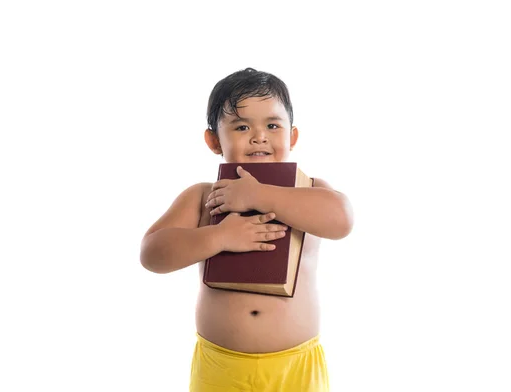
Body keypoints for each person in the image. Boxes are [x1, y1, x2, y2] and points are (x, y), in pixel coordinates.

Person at [140, 68, 354, 391]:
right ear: (214, 140)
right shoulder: (204, 196)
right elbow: (152, 252)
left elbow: (342, 219)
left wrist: (259, 195)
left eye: (272, 125)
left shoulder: (308, 189)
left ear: (292, 137)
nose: (259, 136)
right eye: (241, 126)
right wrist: (220, 237)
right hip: (220, 365)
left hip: (295, 368)